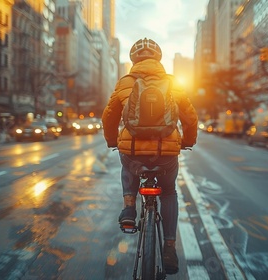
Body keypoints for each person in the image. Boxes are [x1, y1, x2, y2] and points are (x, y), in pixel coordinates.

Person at [101, 38, 198, 275]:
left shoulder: (125, 82)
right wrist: (188, 141)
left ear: (134, 60)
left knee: (128, 162)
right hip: (166, 154)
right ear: (159, 59)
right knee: (168, 192)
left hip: (133, 151)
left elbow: (109, 116)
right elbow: (190, 118)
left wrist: (113, 141)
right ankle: (169, 247)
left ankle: (129, 209)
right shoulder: (173, 83)